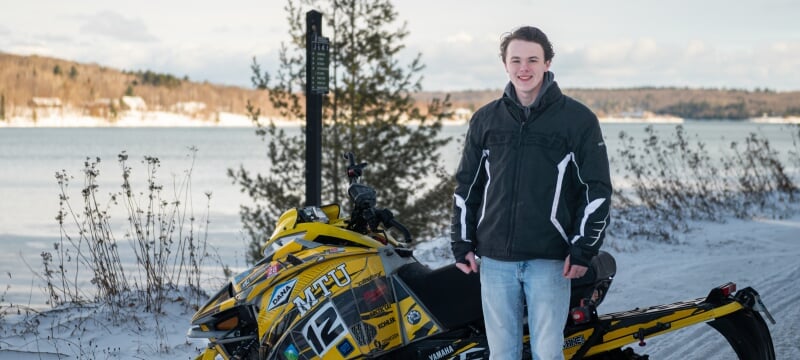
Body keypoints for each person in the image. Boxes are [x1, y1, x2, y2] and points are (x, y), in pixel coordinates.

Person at [450, 26, 612, 360]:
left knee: (548, 354)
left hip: (549, 261)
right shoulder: (485, 120)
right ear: (506, 65)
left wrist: (583, 249)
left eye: (533, 60)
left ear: (547, 63)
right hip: (495, 261)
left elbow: (597, 190)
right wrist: (461, 242)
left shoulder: (577, 120)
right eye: (516, 60)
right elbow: (467, 186)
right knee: (502, 355)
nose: (524, 68)